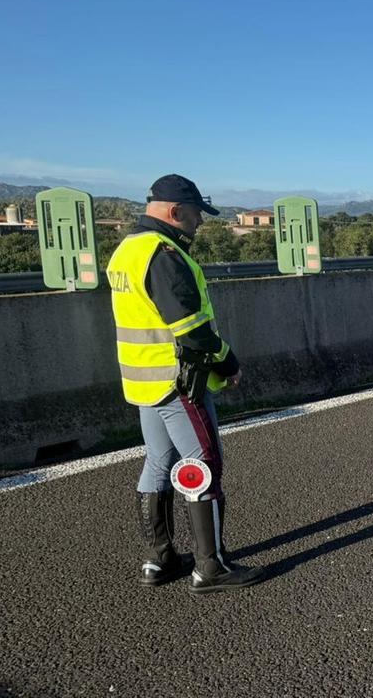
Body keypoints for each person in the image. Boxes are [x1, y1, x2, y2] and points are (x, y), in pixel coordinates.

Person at [106, 174, 264, 593]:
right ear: (174, 212)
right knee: (203, 465)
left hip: (143, 380)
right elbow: (191, 330)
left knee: (158, 462)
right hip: (178, 382)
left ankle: (160, 560)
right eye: (195, 215)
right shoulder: (163, 253)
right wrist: (228, 362)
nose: (199, 223)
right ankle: (210, 568)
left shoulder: (127, 250)